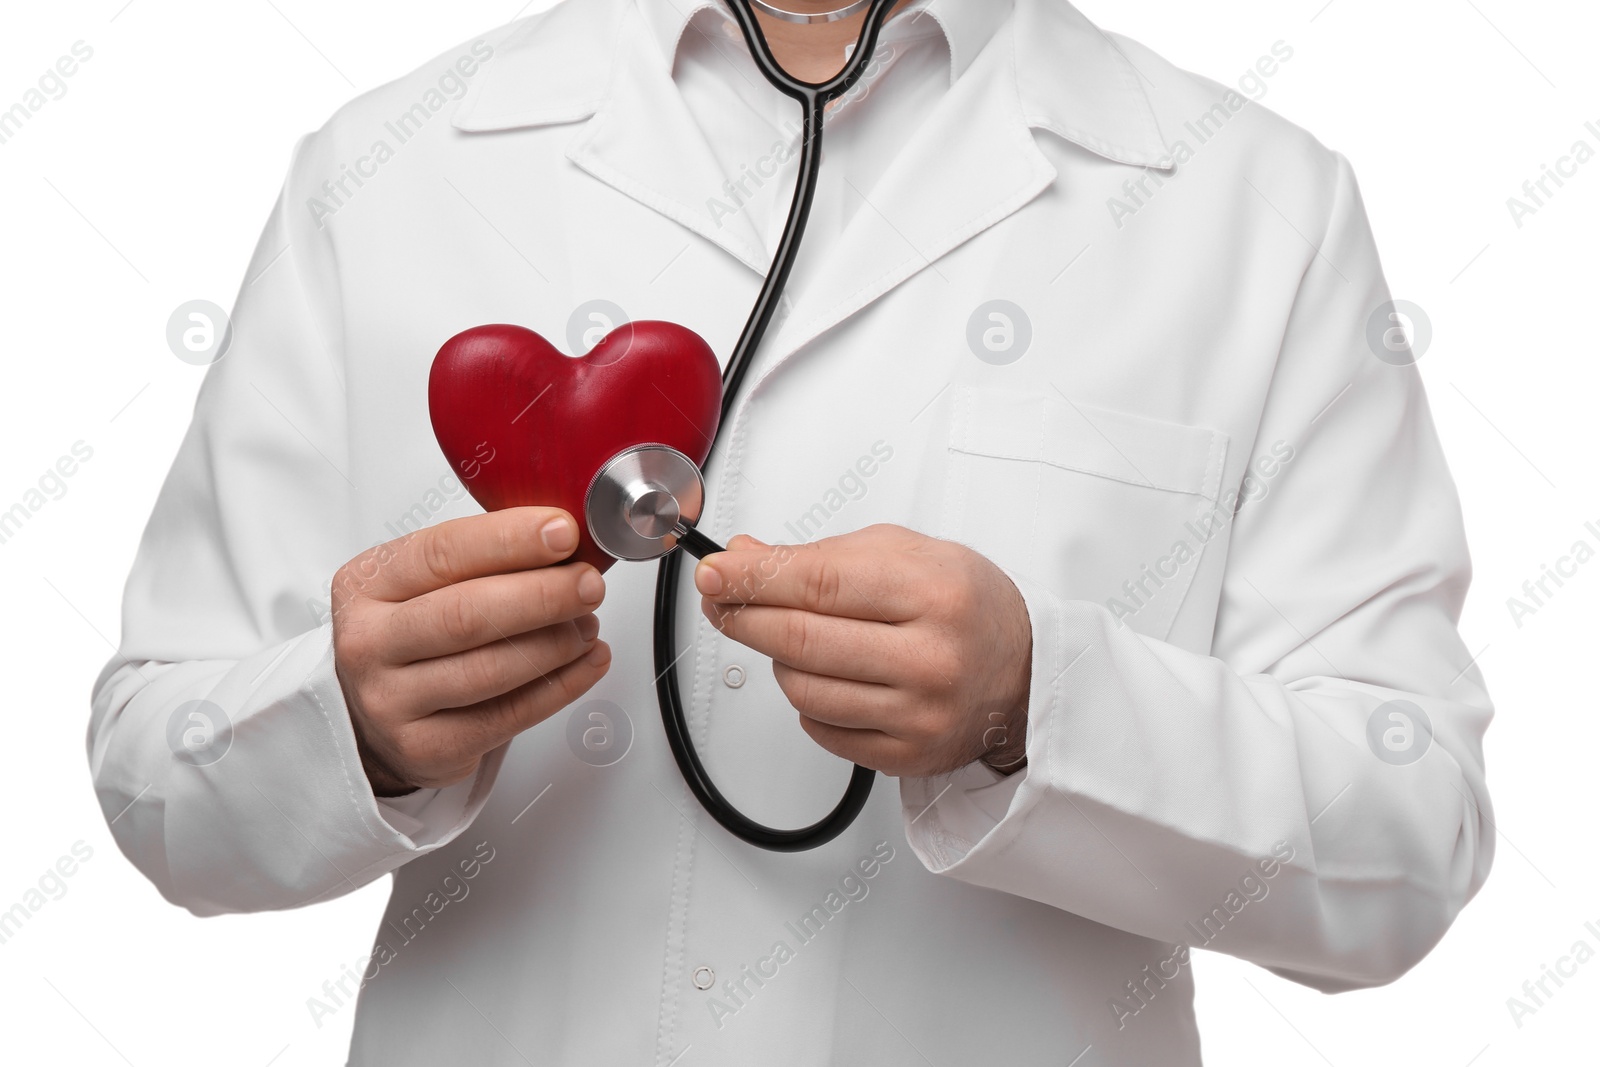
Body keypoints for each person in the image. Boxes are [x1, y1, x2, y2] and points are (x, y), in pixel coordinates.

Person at [88, 0, 1495, 1062]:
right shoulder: (388, 168)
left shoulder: (1250, 205)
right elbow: (160, 780)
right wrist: (355, 726)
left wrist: (1034, 701)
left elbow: (1407, 841)